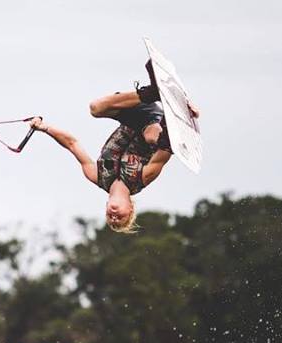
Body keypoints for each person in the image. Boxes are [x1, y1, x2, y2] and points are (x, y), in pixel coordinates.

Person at [30, 64, 200, 233]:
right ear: (130, 209)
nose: (114, 216)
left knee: (95, 108)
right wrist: (183, 120)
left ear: (106, 206)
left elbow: (72, 144)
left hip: (131, 109)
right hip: (153, 120)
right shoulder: (142, 179)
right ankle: (178, 111)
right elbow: (165, 152)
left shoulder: (97, 175)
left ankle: (152, 93)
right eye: (120, 218)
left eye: (110, 217)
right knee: (152, 138)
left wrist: (44, 128)